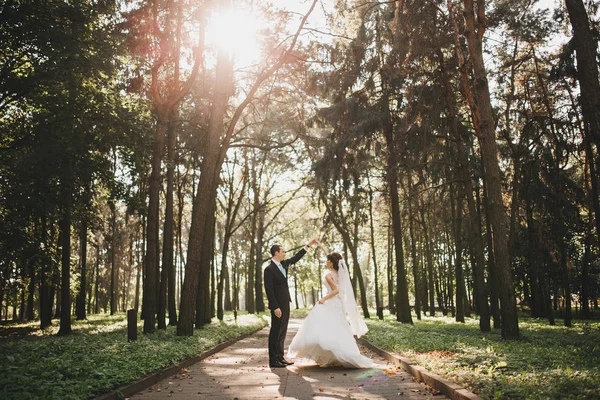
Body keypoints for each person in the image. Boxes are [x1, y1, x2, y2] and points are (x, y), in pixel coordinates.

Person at [287, 243, 374, 368]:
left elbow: (336, 291)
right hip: (338, 304)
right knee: (337, 328)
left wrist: (323, 299)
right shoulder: (340, 274)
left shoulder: (328, 275)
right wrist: (321, 247)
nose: (326, 261)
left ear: (331, 263)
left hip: (330, 301)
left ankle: (331, 355)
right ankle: (334, 356)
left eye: (328, 260)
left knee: (323, 327)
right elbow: (331, 257)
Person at [264, 238, 318, 368]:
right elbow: (269, 289)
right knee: (275, 331)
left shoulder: (284, 264)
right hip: (277, 305)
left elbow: (296, 257)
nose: (285, 253)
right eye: (283, 251)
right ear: (276, 253)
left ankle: (280, 357)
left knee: (282, 330)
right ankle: (273, 360)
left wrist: (308, 245)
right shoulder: (269, 269)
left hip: (285, 303)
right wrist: (275, 306)